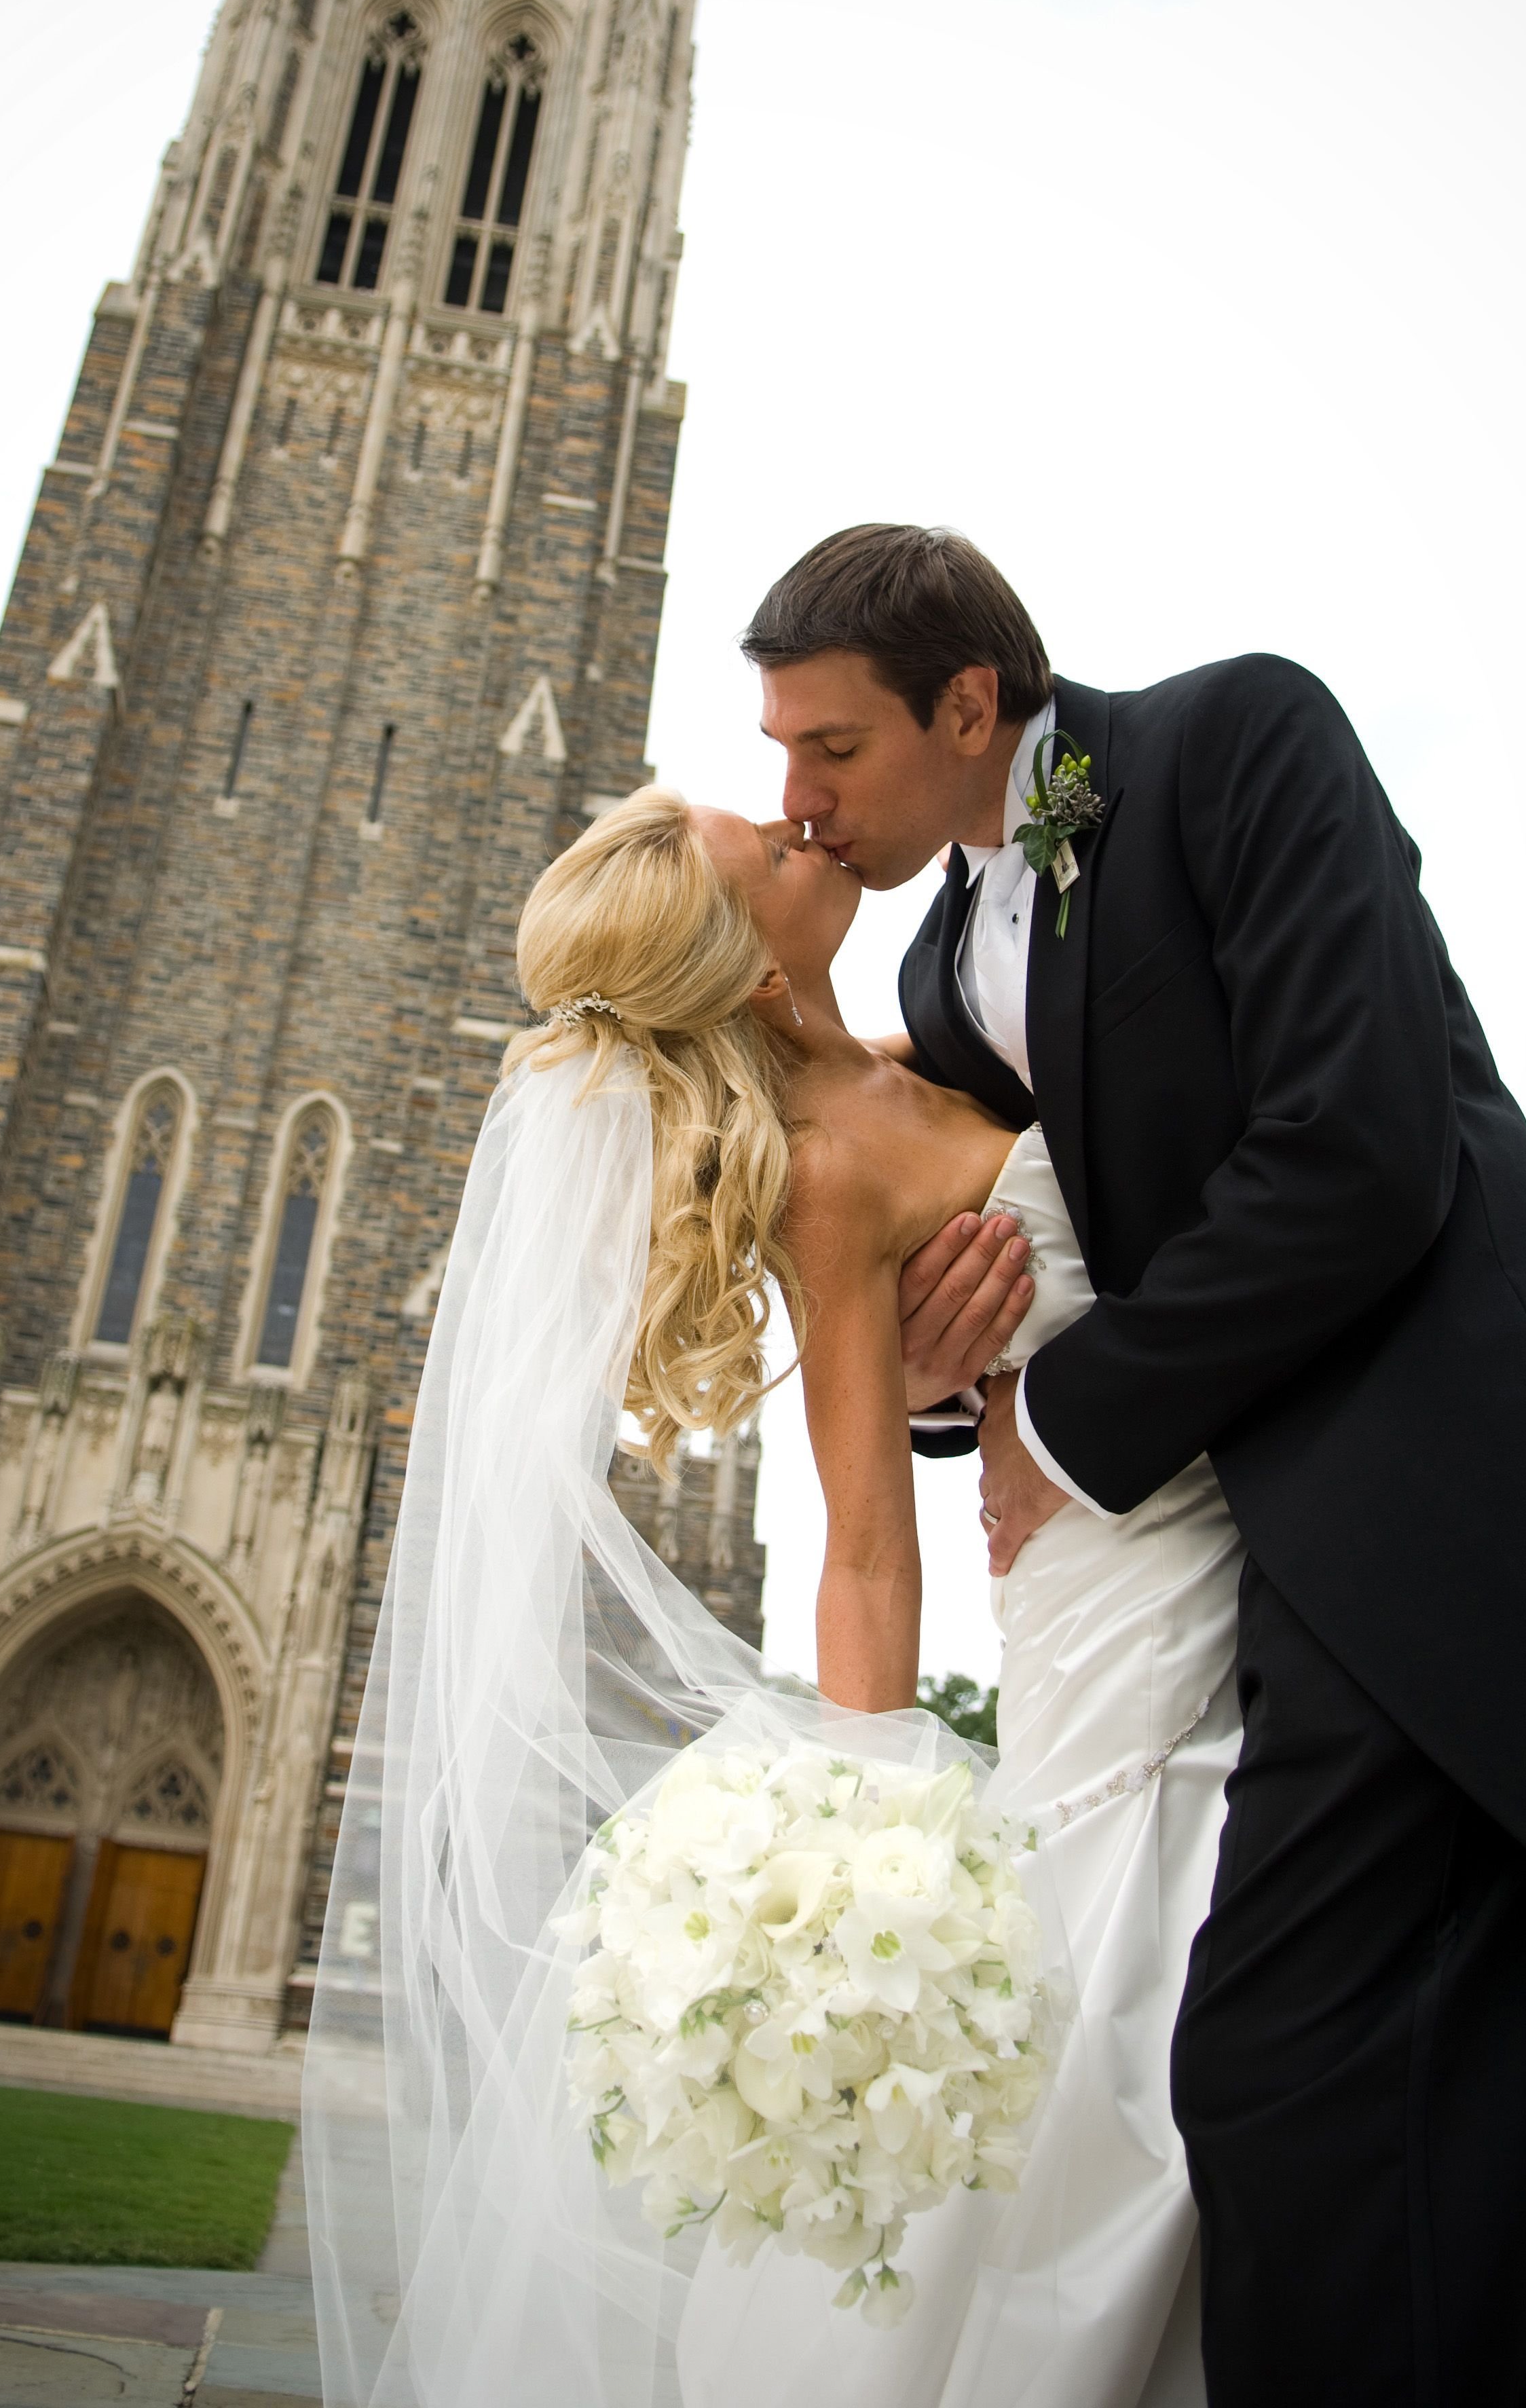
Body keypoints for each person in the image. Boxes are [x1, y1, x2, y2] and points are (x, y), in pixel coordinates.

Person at [739, 521, 1526, 2406]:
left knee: (1289, 2072)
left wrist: (1064, 1438)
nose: (799, 799)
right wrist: (942, 1382)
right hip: (1223, 1575)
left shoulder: (1239, 744)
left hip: (1439, 1505)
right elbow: (1011, 1264)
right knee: (1433, 2084)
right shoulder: (934, 970)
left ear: (969, 703)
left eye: (831, 750)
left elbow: (1361, 1146)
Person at [306, 785, 1238, 2408]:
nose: (811, 828)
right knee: (1135, 2034)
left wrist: (971, 1393)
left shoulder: (933, 1047)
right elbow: (863, 1542)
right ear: (747, 968)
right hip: (1116, 1603)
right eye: (773, 849)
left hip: (1220, 1526)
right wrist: (880, 1842)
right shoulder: (817, 1181)